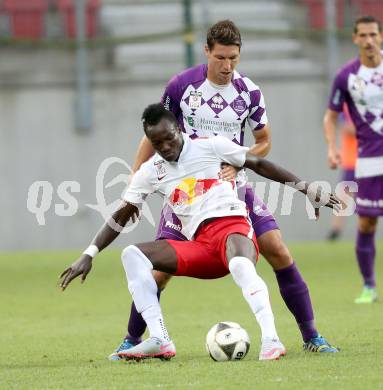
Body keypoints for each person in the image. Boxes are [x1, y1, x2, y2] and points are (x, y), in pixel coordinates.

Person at [115, 20, 339, 356]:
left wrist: (239, 162)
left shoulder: (248, 92)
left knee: (278, 251)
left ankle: (312, 337)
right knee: (159, 271)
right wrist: (136, 174)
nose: (227, 66)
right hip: (186, 194)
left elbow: (264, 143)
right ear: (206, 51)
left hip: (233, 191)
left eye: (234, 58)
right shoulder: (181, 87)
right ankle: (133, 340)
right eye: (220, 58)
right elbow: (156, 132)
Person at [60, 104, 339, 361]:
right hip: (200, 247)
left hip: (233, 229)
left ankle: (271, 339)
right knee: (132, 255)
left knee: (242, 264)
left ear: (179, 129)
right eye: (157, 143)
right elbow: (121, 214)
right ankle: (159, 339)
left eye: (169, 137)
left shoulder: (212, 146)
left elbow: (260, 164)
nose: (166, 146)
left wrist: (306, 188)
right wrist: (89, 253)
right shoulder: (150, 172)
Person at [324, 16, 383, 303]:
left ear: (380, 36)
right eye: (364, 35)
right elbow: (331, 116)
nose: (369, 40)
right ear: (355, 39)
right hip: (369, 160)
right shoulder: (346, 76)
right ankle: (369, 286)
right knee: (366, 224)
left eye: (374, 34)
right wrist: (331, 147)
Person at [327, 104, 357, 241]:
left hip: (371, 159)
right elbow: (346, 127)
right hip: (352, 160)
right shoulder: (347, 107)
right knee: (344, 196)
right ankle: (336, 230)